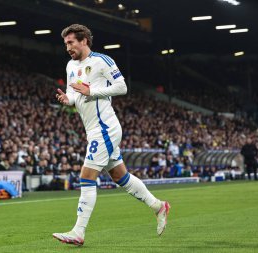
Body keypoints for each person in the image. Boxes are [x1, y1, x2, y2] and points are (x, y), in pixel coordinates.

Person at [52, 24, 170, 246]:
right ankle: (158, 206)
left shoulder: (102, 61)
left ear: (84, 40)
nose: (68, 47)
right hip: (93, 129)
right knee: (120, 177)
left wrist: (92, 91)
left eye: (71, 42)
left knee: (86, 177)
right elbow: (72, 92)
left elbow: (122, 87)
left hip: (105, 128)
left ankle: (78, 232)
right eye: (66, 43)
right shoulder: (70, 65)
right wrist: (68, 100)